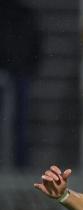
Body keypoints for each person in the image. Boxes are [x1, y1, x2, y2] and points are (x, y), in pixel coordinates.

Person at [0, 0, 42, 168]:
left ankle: (21, 163)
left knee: (21, 121)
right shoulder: (23, 14)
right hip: (12, 70)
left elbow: (36, 42)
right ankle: (19, 163)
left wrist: (31, 67)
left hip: (21, 71)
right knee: (18, 121)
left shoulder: (26, 14)